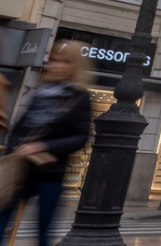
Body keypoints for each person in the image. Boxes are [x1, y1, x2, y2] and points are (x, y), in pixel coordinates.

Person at [0, 42, 92, 246]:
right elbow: (20, 127)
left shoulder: (79, 97)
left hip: (50, 173)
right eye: (54, 61)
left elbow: (80, 137)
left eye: (65, 62)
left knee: (43, 232)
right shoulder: (41, 92)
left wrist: (44, 146)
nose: (57, 66)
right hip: (20, 171)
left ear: (75, 66)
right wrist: (15, 148)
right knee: (1, 220)